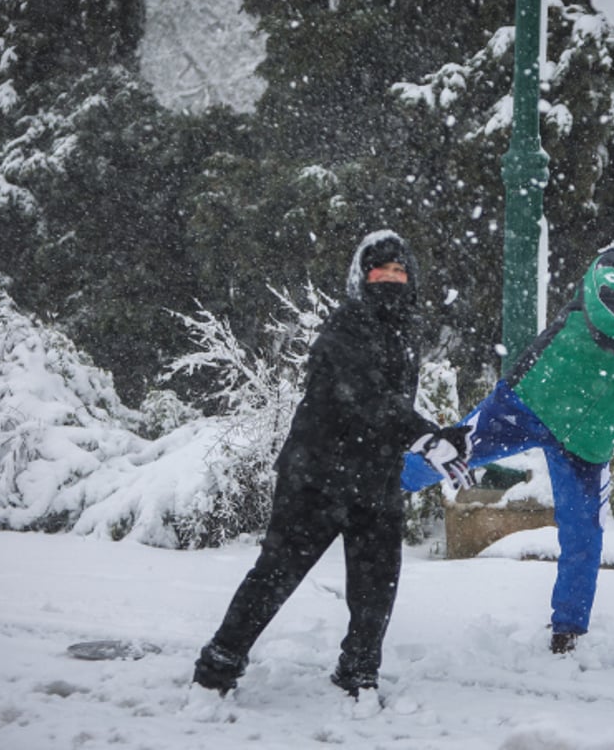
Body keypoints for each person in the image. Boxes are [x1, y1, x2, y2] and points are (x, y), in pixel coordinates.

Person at [402, 186, 614, 653]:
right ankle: (365, 484)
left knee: (584, 537)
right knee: (446, 453)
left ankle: (568, 634)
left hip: (590, 438)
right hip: (530, 400)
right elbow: (608, 314)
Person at [193, 230, 472, 702]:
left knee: (377, 582)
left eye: (400, 271)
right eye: (379, 270)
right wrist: (423, 433)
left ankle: (358, 671)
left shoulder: (407, 329)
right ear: (361, 277)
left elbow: (386, 404)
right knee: (276, 574)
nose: (391, 278)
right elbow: (363, 397)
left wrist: (436, 437)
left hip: (376, 476)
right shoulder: (344, 327)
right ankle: (217, 667)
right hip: (317, 477)